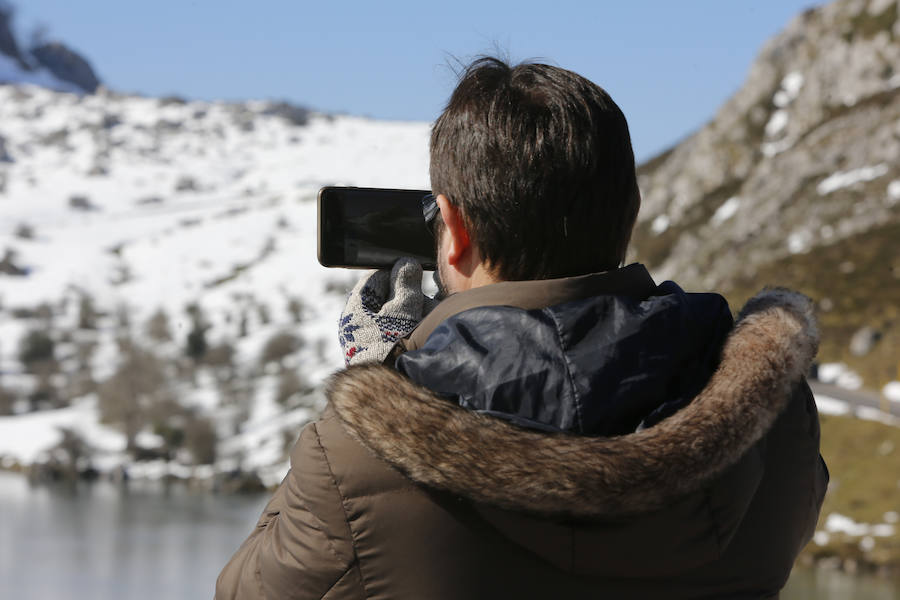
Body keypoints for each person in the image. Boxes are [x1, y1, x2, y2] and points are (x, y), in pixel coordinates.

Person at [216, 57, 827, 599]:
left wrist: (382, 377)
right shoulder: (770, 419)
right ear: (629, 215)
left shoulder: (357, 457)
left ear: (452, 233)